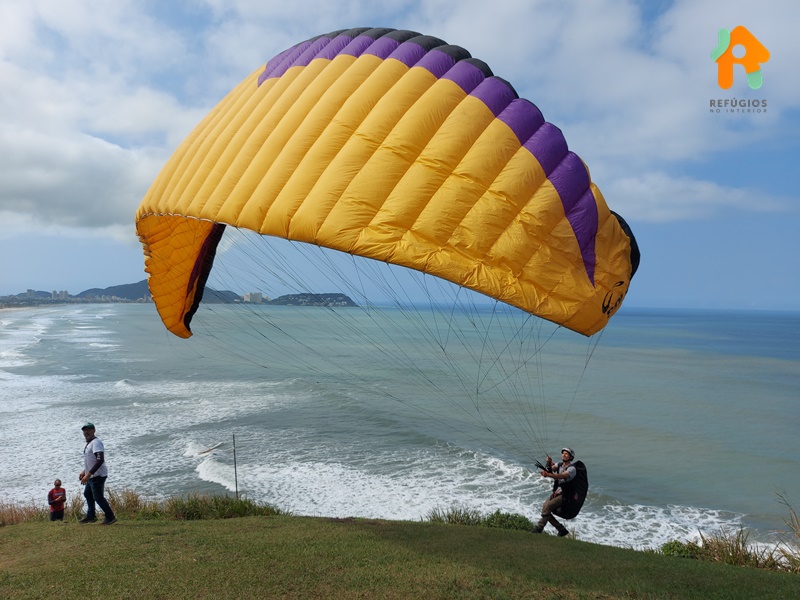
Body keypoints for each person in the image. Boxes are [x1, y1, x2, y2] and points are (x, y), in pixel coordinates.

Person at [532, 447, 577, 537]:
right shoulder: (559, 465)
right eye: (563, 453)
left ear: (571, 457)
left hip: (566, 495)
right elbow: (549, 470)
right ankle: (561, 529)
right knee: (545, 508)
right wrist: (548, 463)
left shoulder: (572, 469)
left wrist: (549, 475)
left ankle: (538, 528)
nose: (564, 455)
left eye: (566, 454)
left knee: (547, 508)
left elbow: (562, 476)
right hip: (557, 492)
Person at [78, 422, 116, 525]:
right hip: (92, 475)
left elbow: (100, 460)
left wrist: (88, 474)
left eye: (88, 430)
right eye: (84, 430)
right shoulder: (90, 443)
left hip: (97, 476)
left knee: (98, 497)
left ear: (94, 430)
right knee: (88, 494)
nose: (86, 432)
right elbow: (91, 460)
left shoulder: (96, 442)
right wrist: (84, 471)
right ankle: (91, 516)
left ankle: (110, 517)